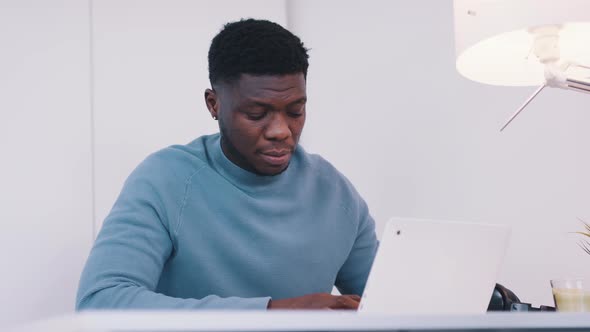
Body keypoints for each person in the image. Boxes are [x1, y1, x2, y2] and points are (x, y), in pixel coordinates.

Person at [76, 18, 378, 310]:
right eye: (257, 114)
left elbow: (394, 301)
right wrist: (274, 313)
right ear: (214, 104)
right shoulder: (165, 181)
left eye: (295, 111)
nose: (281, 131)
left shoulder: (334, 192)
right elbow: (100, 302)